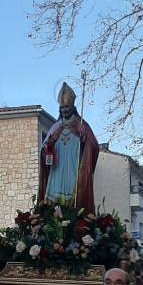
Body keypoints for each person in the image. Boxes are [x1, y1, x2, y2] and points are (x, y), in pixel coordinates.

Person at [38, 82, 99, 213]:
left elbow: (94, 146)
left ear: (73, 107)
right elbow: (43, 150)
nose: (64, 110)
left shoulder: (81, 125)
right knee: (53, 204)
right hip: (56, 172)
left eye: (67, 106)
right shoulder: (55, 127)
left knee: (73, 203)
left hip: (73, 171)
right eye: (62, 107)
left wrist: (86, 141)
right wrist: (47, 148)